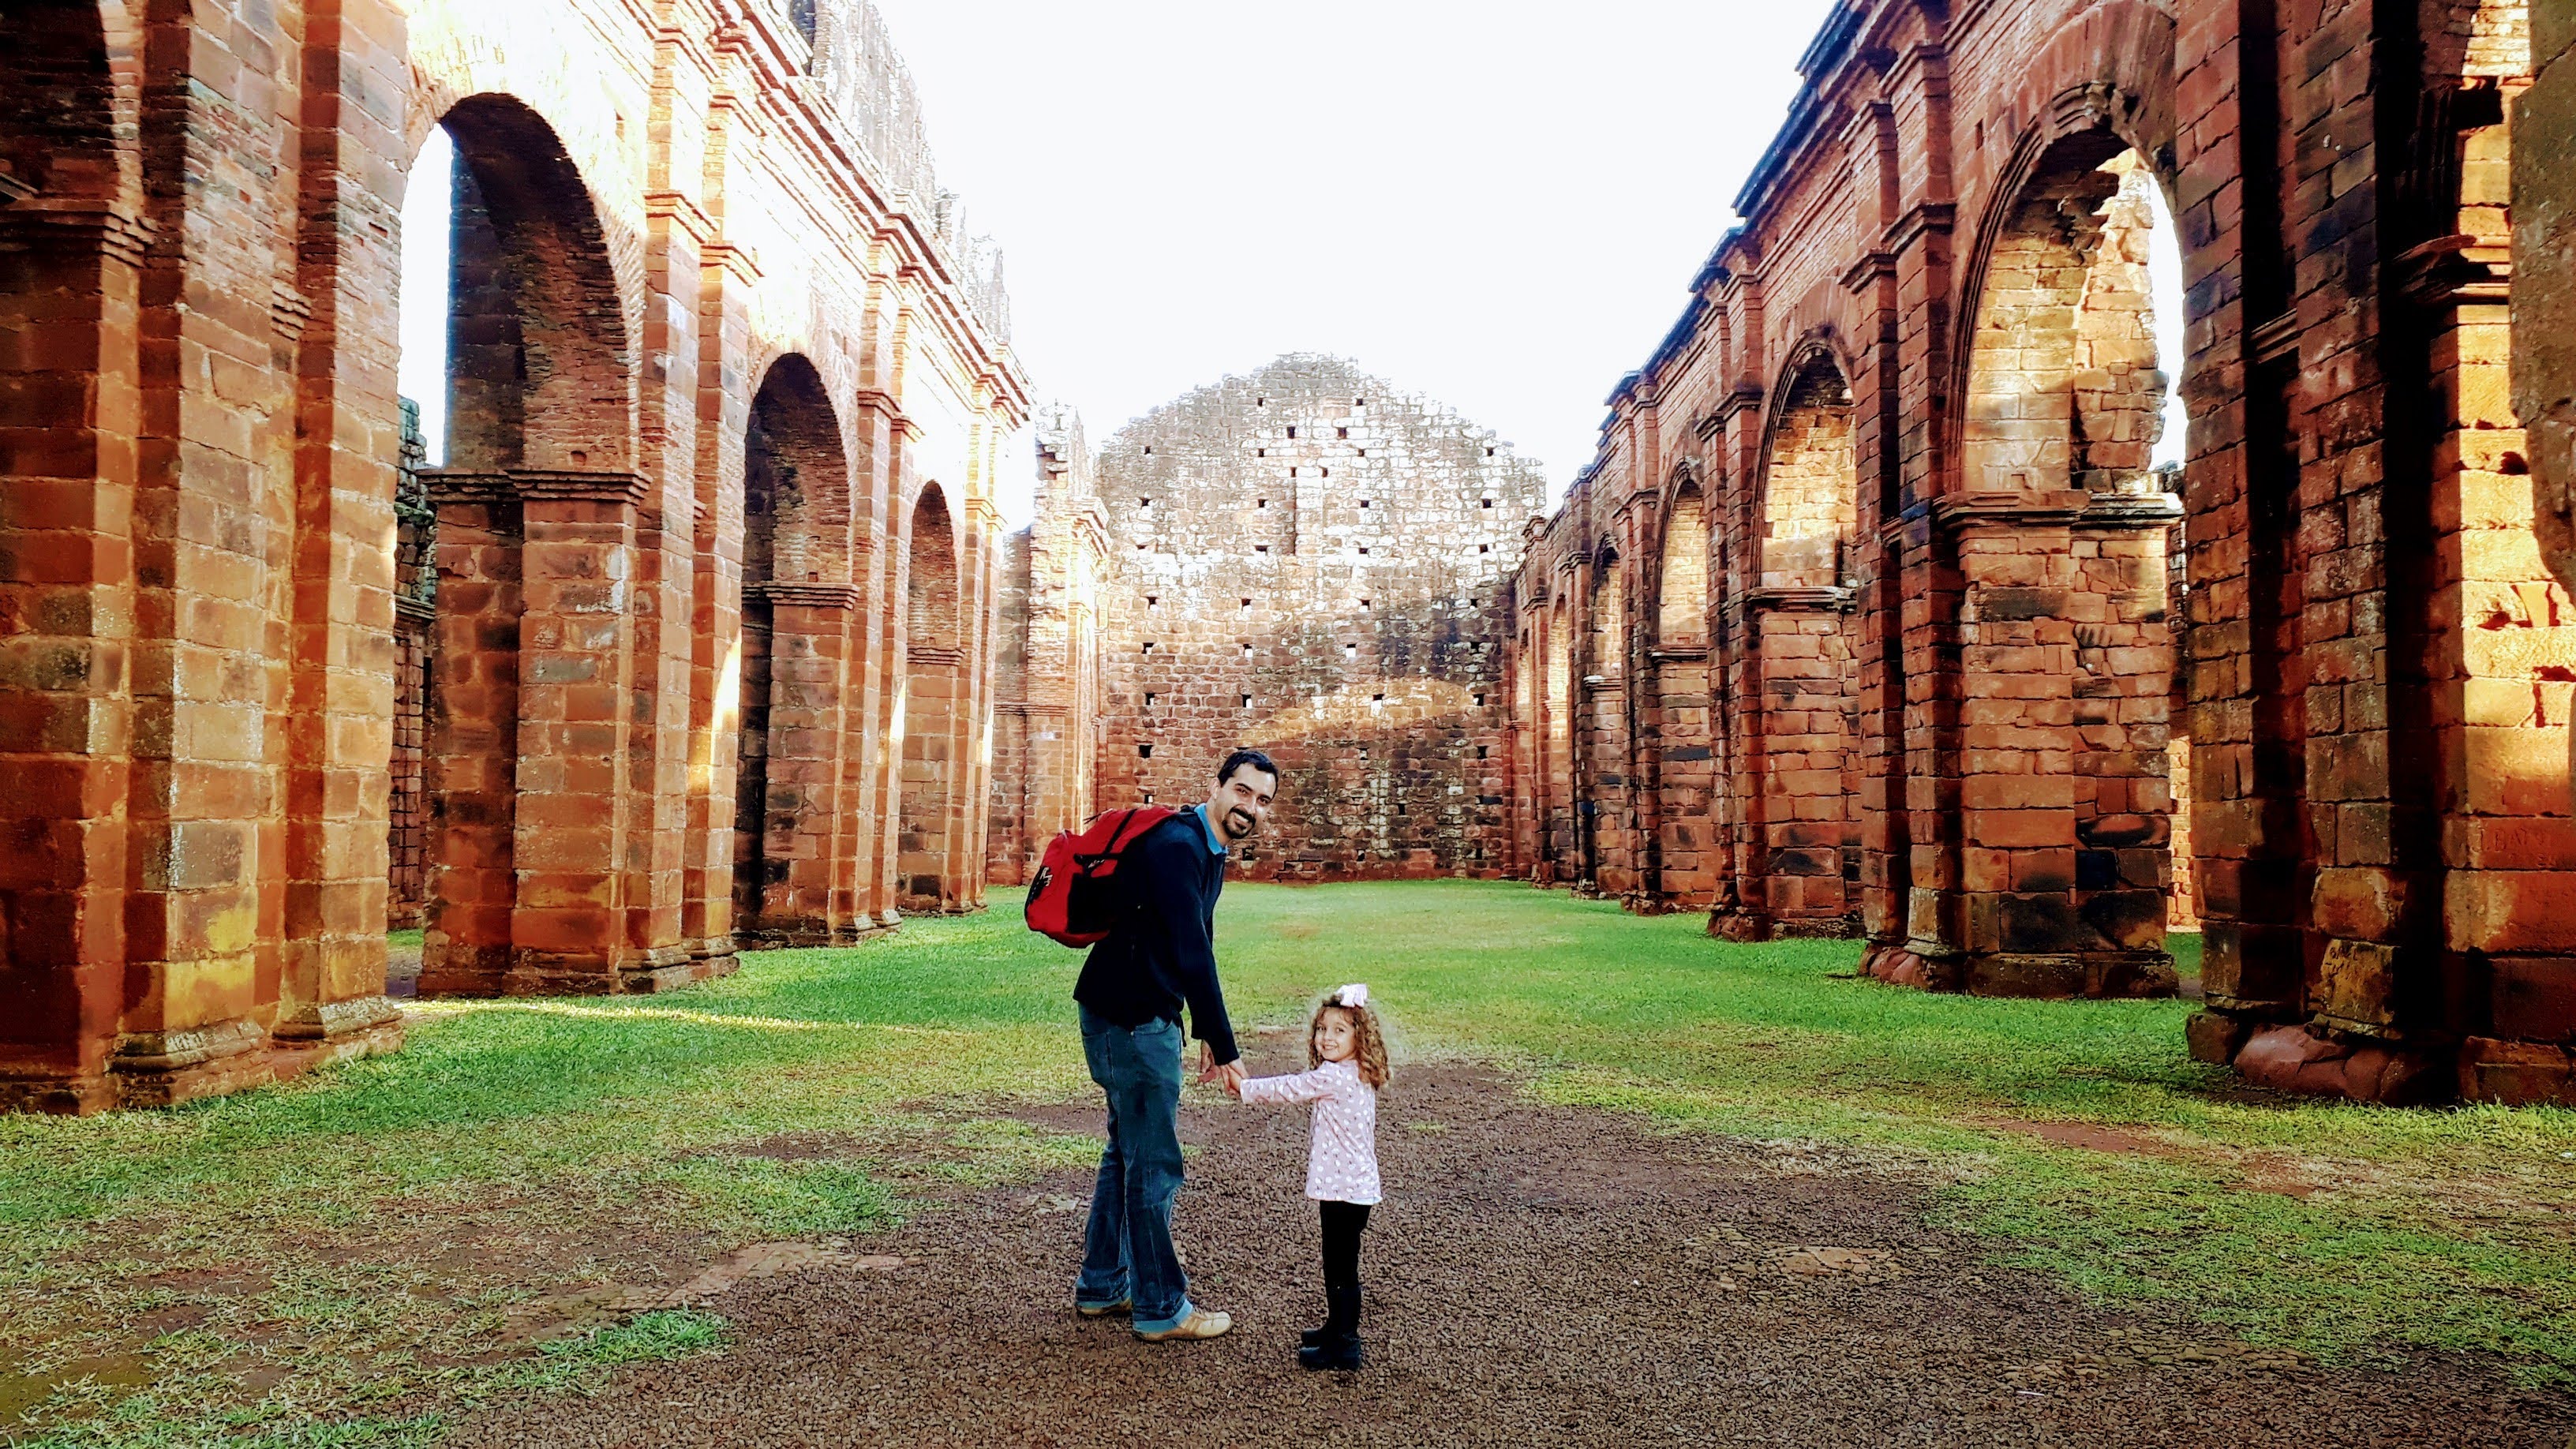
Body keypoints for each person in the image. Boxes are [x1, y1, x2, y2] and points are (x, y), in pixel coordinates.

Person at [1072, 748, 1279, 1342]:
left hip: (1130, 1014)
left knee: (1127, 1154)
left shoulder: (1204, 846)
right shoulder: (1178, 848)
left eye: (1262, 801)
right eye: (1242, 793)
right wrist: (1227, 1043)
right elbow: (1193, 952)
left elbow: (1194, 934)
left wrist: (1206, 1031)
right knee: (1155, 1164)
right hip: (1131, 1024)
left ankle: (1102, 1284)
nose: (1250, 809)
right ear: (1217, 787)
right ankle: (1162, 1308)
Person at [1229, 983, 1387, 1371]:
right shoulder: (1356, 1072)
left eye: (1339, 1030)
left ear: (1359, 1036)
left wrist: (1244, 1088)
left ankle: (1345, 1344)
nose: (1326, 1038)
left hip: (1344, 1190)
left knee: (1339, 1266)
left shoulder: (1335, 1078)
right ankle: (1336, 1330)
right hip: (1353, 1187)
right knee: (1339, 1263)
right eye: (1322, 1029)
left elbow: (1290, 1088)